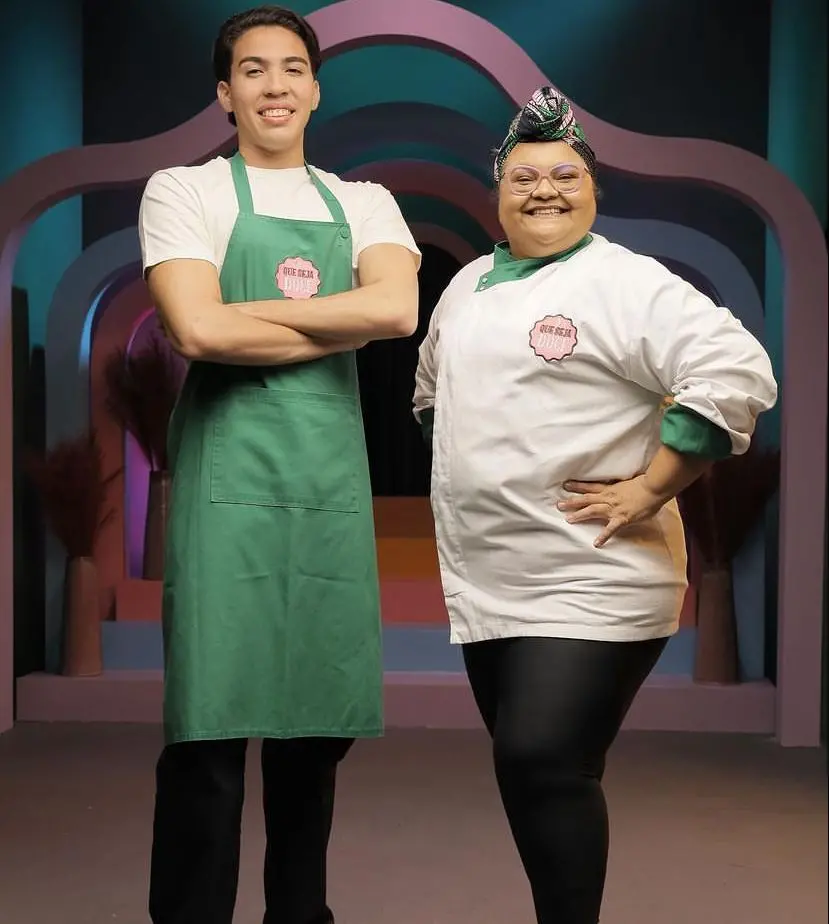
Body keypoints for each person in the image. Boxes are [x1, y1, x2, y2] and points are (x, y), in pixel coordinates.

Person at [412, 87, 777, 924]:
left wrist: (650, 486)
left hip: (594, 569)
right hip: (490, 575)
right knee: (529, 769)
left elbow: (735, 370)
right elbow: (432, 395)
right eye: (523, 177)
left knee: (542, 757)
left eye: (564, 175)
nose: (543, 189)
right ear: (497, 192)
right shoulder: (465, 286)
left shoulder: (625, 282)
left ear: (593, 190)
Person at [138, 6, 420, 923]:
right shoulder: (183, 191)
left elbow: (396, 313)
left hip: (326, 487)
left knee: (313, 734)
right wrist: (337, 320)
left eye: (292, 68)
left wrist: (238, 320)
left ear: (315, 89)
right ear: (225, 94)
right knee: (208, 735)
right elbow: (194, 330)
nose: (275, 86)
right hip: (225, 485)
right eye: (253, 70)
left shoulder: (364, 202)